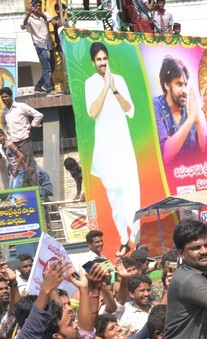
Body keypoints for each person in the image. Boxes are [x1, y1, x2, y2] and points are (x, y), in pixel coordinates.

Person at [85, 42, 141, 256]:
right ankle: (123, 239)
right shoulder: (90, 83)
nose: (102, 62)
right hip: (105, 147)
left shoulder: (120, 80)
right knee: (114, 198)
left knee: (130, 194)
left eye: (104, 58)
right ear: (93, 62)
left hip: (123, 144)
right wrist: (105, 87)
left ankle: (137, 239)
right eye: (98, 59)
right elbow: (92, 112)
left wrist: (114, 88)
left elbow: (130, 110)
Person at [153, 55, 206, 165]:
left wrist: (197, 120)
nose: (184, 90)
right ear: (167, 85)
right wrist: (191, 119)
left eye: (185, 85)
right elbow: (165, 154)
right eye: (179, 84)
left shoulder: (189, 110)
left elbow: (204, 149)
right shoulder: (156, 105)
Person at [21, 1, 57, 94]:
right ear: (32, 7)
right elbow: (23, 26)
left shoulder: (44, 14)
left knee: (52, 67)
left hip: (48, 44)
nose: (38, 7)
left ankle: (38, 86)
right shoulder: (30, 18)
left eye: (39, 6)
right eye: (36, 6)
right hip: (40, 45)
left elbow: (47, 19)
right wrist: (27, 16)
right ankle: (49, 88)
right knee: (46, 68)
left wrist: (39, 13)